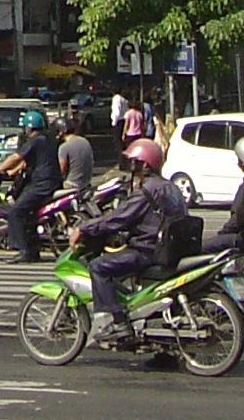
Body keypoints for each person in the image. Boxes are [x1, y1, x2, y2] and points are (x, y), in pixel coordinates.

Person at [72, 139, 179, 344]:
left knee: (98, 267)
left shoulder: (146, 192)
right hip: (167, 249)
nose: (131, 166)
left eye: (134, 162)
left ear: (145, 165)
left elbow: (117, 218)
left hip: (148, 252)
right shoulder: (170, 187)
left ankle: (118, 322)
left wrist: (84, 228)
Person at [0, 110, 62, 263]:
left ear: (28, 128)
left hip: (41, 184)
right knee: (29, 215)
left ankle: (23, 250)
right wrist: (11, 172)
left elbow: (16, 157)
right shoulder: (47, 139)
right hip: (50, 182)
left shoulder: (35, 140)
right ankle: (33, 249)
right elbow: (27, 162)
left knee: (16, 211)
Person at [56, 116, 95, 205]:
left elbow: (61, 171)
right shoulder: (85, 141)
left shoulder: (64, 147)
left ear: (61, 132)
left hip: (71, 185)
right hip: (86, 183)